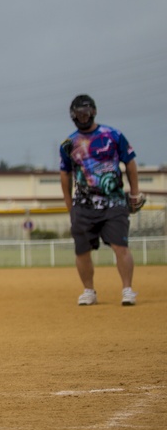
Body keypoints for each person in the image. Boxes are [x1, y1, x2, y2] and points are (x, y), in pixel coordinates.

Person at [59, 94, 142, 306]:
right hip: (84, 206)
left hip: (114, 202)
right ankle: (89, 291)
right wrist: (70, 205)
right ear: (72, 115)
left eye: (86, 113)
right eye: (79, 114)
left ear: (94, 112)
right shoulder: (68, 144)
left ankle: (127, 289)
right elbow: (65, 174)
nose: (83, 117)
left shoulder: (113, 135)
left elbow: (130, 163)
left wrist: (134, 193)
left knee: (120, 246)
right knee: (82, 250)